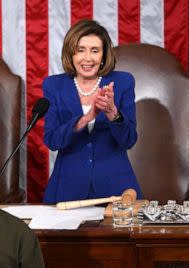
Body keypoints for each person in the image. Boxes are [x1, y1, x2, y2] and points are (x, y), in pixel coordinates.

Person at [42, 20, 142, 204]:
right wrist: (86, 118)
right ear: (70, 53)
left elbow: (128, 140)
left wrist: (112, 112)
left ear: (104, 55)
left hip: (116, 188)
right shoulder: (54, 85)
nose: (88, 58)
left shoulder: (122, 82)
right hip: (68, 188)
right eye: (80, 50)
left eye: (95, 50)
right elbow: (52, 140)